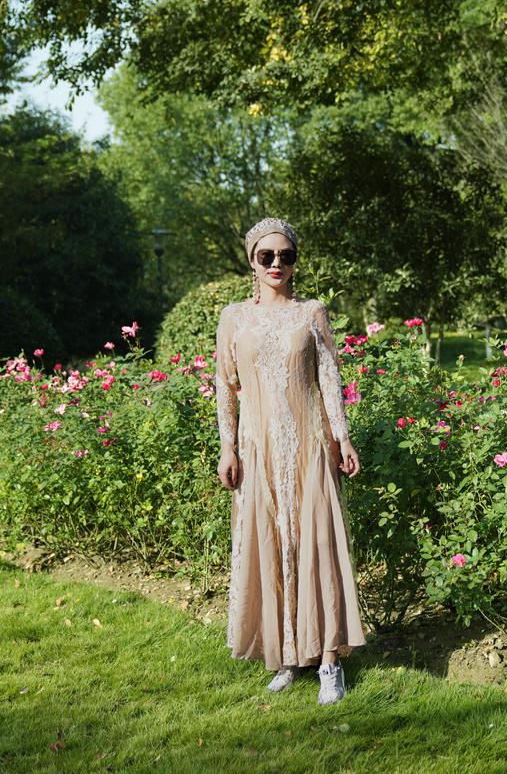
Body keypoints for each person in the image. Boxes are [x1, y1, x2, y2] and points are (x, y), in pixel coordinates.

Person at [213, 216, 368, 705]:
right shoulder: (234, 318)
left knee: (316, 545)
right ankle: (285, 655)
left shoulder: (312, 313)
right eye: (267, 256)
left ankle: (329, 662)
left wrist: (342, 438)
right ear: (252, 261)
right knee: (271, 544)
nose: (276, 263)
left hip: (309, 446)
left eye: (286, 255)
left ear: (295, 261)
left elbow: (329, 380)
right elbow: (225, 387)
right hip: (258, 451)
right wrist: (228, 447)